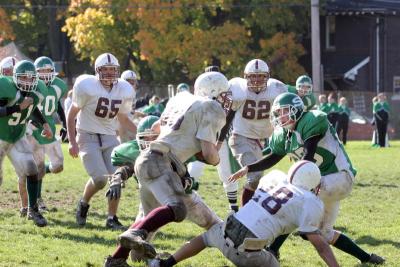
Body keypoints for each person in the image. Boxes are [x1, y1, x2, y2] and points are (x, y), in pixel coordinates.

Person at [229, 92, 385, 265]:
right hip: (319, 182)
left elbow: (308, 154)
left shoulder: (311, 120)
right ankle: (368, 258)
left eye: (284, 111)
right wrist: (249, 168)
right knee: (324, 232)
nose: (280, 117)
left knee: (295, 201)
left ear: (295, 109)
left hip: (339, 177)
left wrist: (299, 184)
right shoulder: (284, 134)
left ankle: (273, 249)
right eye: (278, 113)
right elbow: (274, 156)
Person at [103, 71, 232, 267]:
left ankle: (116, 259)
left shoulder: (180, 99)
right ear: (213, 92)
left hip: (147, 159)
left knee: (147, 222)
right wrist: (215, 157)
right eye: (223, 94)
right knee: (177, 208)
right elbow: (208, 153)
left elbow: (156, 127)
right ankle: (135, 234)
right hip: (162, 162)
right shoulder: (211, 107)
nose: (225, 99)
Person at [149, 161, 340, 267]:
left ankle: (166, 264)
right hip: (248, 248)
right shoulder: (310, 201)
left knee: (207, 237)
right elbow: (321, 246)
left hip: (228, 228)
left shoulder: (275, 178)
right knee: (272, 263)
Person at [67, 52, 137, 230]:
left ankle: (111, 218)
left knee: (116, 179)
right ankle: (83, 204)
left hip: (109, 137)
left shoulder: (124, 89)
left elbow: (123, 119)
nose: (108, 74)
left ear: (118, 71)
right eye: (104, 70)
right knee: (99, 179)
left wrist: (141, 133)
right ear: (97, 71)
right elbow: (71, 114)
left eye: (112, 70)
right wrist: (72, 141)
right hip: (87, 135)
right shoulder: (86, 86)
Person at [223, 58, 287, 206]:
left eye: (260, 76)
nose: (257, 80)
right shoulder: (239, 89)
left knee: (257, 179)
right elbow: (228, 115)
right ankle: (245, 215)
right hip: (241, 137)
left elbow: (285, 115)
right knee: (255, 176)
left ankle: (253, 209)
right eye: (253, 76)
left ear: (267, 77)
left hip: (265, 140)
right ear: (246, 77)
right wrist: (219, 140)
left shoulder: (276, 89)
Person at [0, 60, 53, 227]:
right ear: (15, 77)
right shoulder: (6, 87)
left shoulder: (37, 90)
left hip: (17, 136)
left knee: (32, 169)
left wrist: (43, 123)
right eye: (24, 78)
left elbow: (31, 108)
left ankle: (33, 210)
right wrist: (17, 108)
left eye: (31, 79)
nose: (28, 82)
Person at [17, 56, 68, 213]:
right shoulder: (31, 86)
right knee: (36, 165)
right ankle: (37, 199)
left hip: (50, 128)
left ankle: (43, 170)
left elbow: (58, 104)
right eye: (42, 71)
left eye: (48, 71)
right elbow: (28, 110)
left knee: (58, 166)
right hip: (33, 129)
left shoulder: (58, 86)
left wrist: (65, 124)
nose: (45, 74)